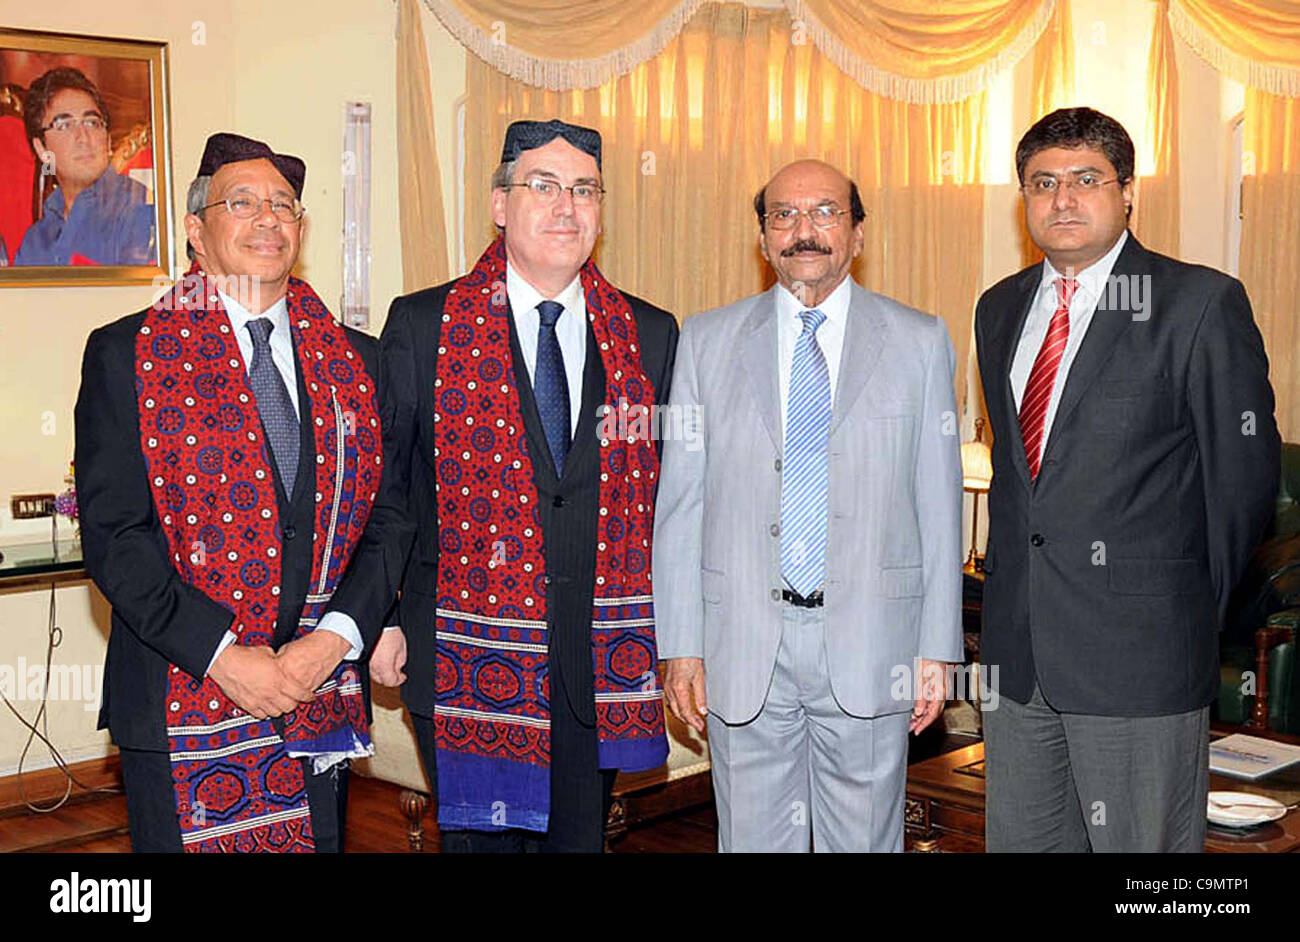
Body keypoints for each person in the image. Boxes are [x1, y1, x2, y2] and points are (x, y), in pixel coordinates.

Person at [328, 118, 677, 852]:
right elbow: (385, 491)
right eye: (542, 186)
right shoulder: (425, 324)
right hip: (461, 654)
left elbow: (666, 504)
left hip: (599, 665)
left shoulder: (648, 333)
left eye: (584, 189)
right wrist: (383, 617)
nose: (565, 207)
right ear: (499, 203)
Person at [975, 107, 1280, 852]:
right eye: (1043, 183)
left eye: (1087, 179)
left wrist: (1172, 617)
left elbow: (1242, 487)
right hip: (1017, 659)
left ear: (1128, 191)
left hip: (1140, 659)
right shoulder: (999, 307)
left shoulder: (1198, 303)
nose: (1064, 200)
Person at [75, 133, 383, 852]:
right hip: (180, 686)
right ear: (196, 230)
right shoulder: (127, 354)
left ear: (300, 231)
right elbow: (116, 537)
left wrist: (332, 642)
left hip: (318, 689)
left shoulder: (357, 362)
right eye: (241, 203)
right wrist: (222, 655)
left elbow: (389, 520)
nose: (267, 219)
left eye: (283, 205)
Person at [653, 159, 963, 852]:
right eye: (783, 216)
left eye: (825, 212)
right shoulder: (705, 340)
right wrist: (680, 644)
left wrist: (937, 648)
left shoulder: (918, 341)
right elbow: (680, 505)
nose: (804, 231)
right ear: (763, 239)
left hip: (872, 645)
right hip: (741, 648)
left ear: (857, 232)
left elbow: (940, 506)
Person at [15, 67, 154, 266]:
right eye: (65, 125)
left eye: (92, 123)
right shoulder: (36, 239)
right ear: (42, 149)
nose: (83, 137)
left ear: (107, 140)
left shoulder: (137, 211)